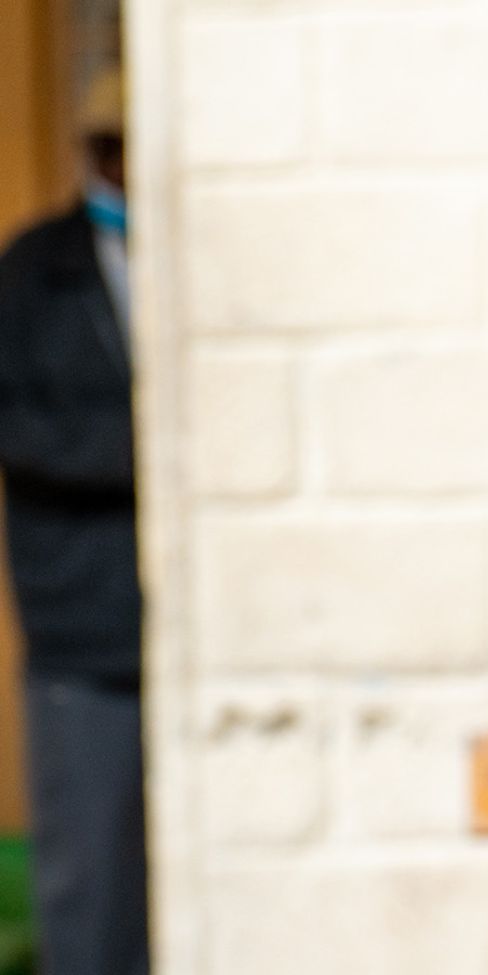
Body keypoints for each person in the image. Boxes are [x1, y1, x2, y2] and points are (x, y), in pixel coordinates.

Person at [0, 67, 150, 975]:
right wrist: (143, 445)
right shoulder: (32, 273)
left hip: (179, 625)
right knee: (92, 887)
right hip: (81, 627)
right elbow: (19, 425)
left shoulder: (193, 258)